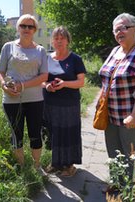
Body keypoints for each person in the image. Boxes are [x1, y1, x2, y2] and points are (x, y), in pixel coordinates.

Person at [98, 13, 135, 192]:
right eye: (116, 29)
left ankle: (133, 192)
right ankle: (117, 184)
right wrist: (100, 103)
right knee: (114, 154)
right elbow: (106, 79)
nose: (120, 32)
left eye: (124, 27)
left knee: (132, 157)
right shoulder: (115, 51)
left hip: (132, 118)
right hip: (111, 116)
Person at [0, 14, 48, 170]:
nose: (26, 29)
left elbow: (44, 76)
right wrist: (4, 85)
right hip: (12, 100)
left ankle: (37, 167)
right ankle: (21, 167)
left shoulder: (40, 50)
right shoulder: (8, 47)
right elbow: (0, 72)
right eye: (23, 26)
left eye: (30, 26)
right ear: (18, 28)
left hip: (35, 99)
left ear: (35, 30)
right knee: (16, 135)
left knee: (35, 134)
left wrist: (23, 86)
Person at [43, 26, 86, 177]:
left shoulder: (75, 59)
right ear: (52, 41)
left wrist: (65, 84)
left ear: (68, 40)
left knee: (68, 133)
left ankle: (69, 166)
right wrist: (47, 85)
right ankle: (56, 163)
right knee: (53, 133)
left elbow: (81, 82)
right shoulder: (46, 58)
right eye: (56, 38)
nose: (59, 41)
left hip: (69, 105)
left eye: (62, 38)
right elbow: (41, 80)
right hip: (49, 103)